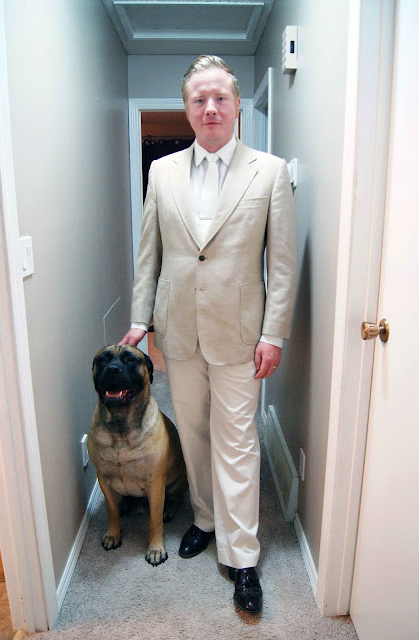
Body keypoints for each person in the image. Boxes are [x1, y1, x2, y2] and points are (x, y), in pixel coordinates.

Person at [120, 55, 297, 614]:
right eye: (199, 100)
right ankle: (205, 517)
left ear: (238, 106)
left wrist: (274, 334)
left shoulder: (269, 172)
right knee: (193, 432)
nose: (211, 108)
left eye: (220, 98)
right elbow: (149, 256)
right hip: (177, 331)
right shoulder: (162, 172)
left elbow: (283, 264)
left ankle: (242, 555)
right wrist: (141, 321)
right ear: (188, 109)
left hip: (243, 335)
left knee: (237, 438)